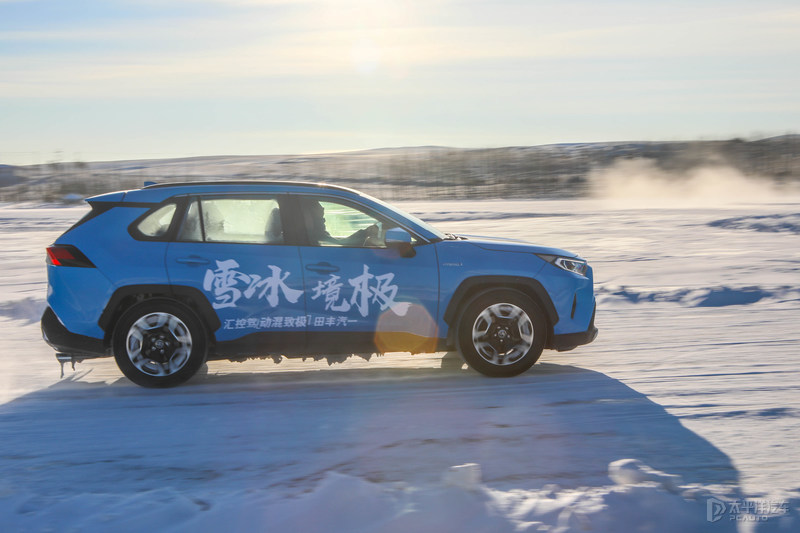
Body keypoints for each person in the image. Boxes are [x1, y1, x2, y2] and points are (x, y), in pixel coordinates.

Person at [304, 200, 381, 246]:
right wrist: (365, 233)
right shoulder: (315, 234)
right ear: (309, 212)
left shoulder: (317, 231)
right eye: (317, 204)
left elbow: (337, 244)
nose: (323, 208)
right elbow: (341, 246)